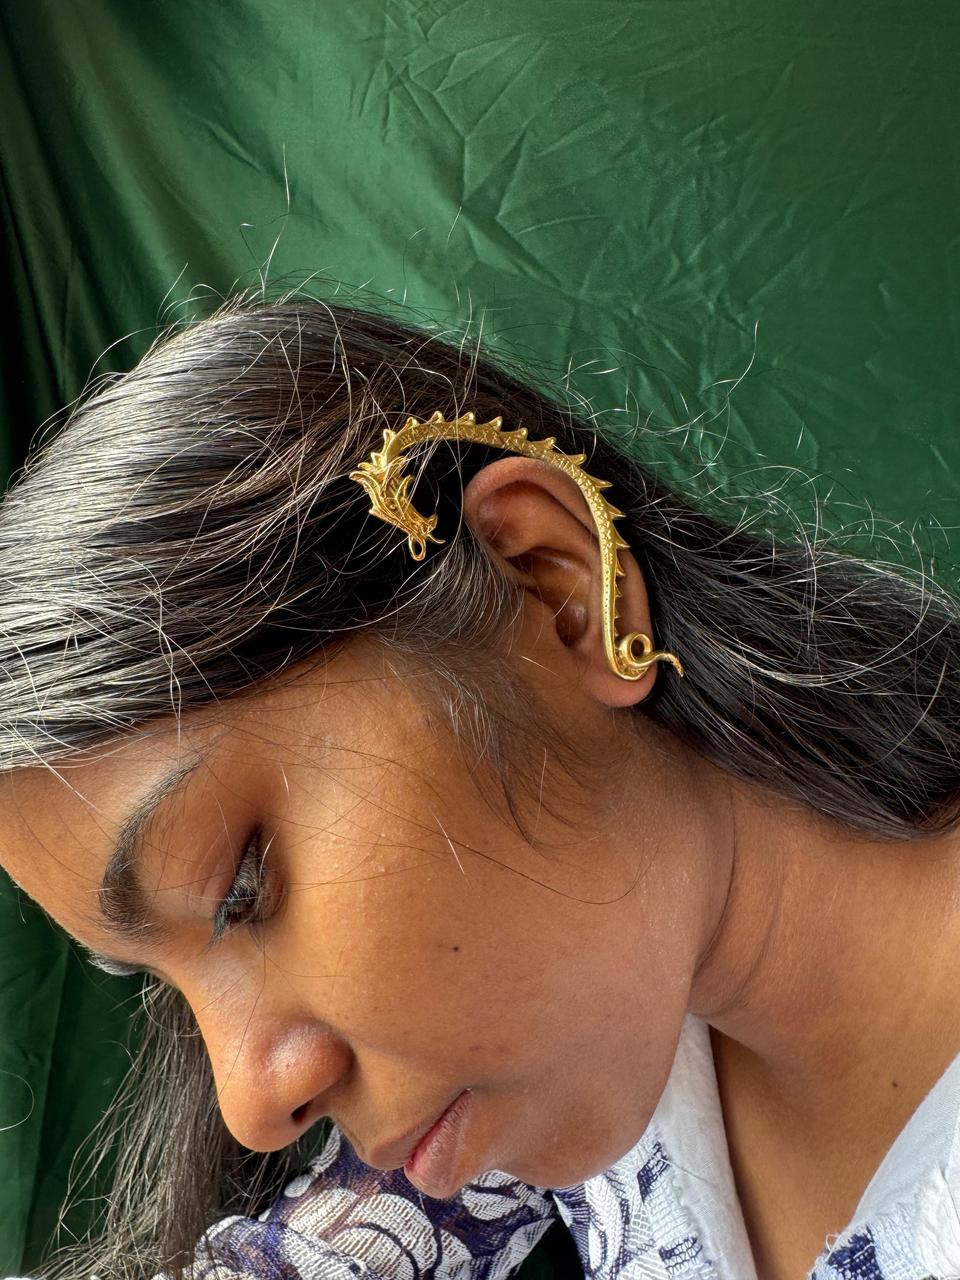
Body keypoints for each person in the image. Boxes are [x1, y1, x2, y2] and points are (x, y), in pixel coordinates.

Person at [1, 297, 958, 1280]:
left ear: (552, 587)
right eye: (167, 982)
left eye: (239, 888)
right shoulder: (601, 1009)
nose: (252, 1105)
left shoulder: (570, 972)